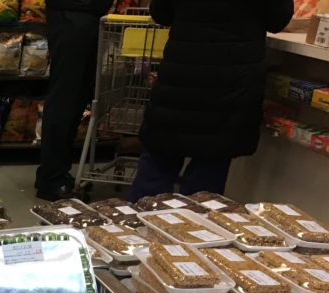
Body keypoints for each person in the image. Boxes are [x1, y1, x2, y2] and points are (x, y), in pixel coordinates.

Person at [129, 0, 295, 201]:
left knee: (157, 164)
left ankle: (135, 226)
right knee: (206, 179)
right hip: (231, 82)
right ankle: (192, 229)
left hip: (181, 76)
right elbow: (277, 20)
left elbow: (161, 13)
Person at [35, 0, 114, 201]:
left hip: (82, 15)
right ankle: (52, 179)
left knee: (75, 97)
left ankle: (54, 172)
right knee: (65, 98)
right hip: (72, 15)